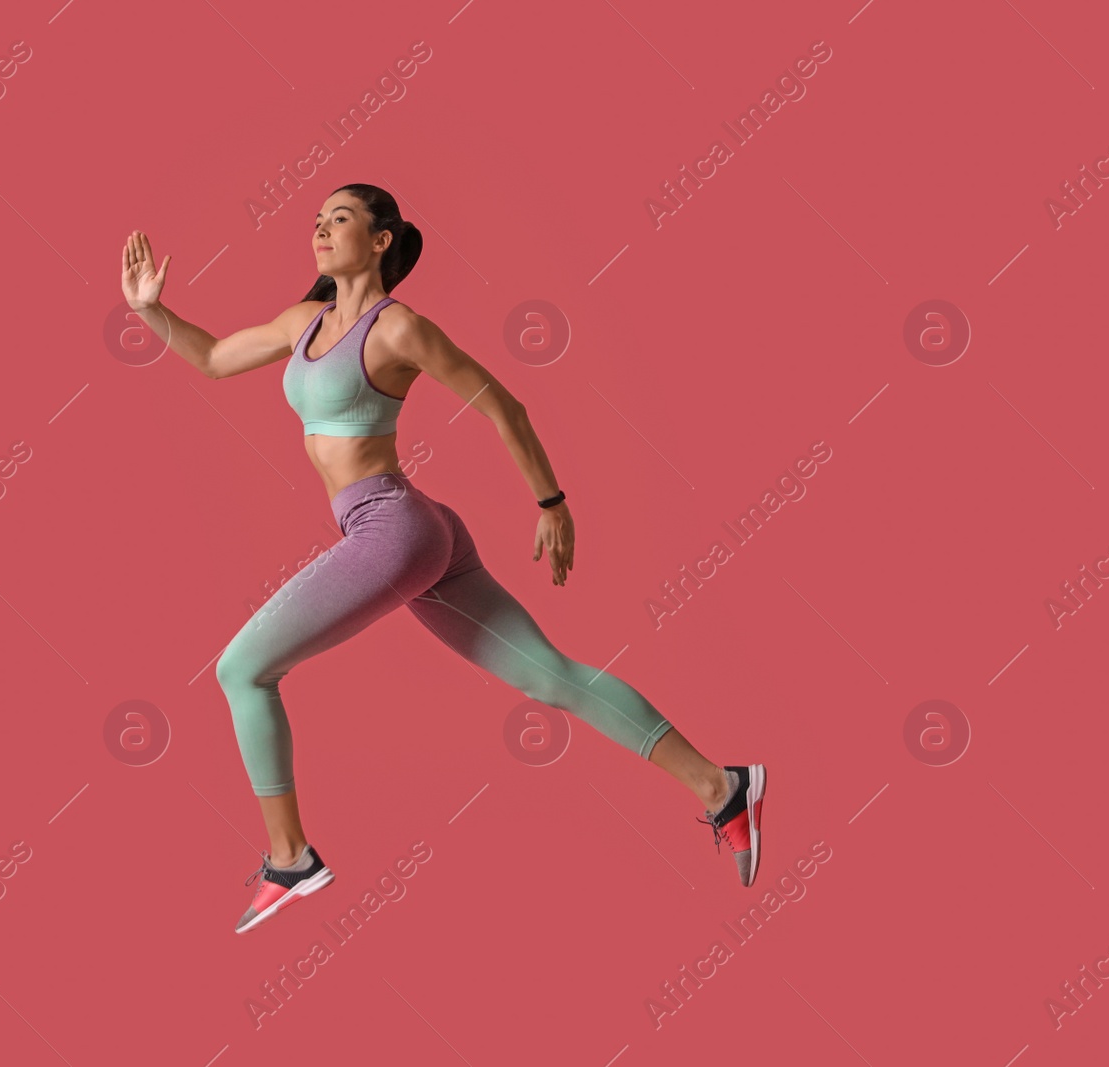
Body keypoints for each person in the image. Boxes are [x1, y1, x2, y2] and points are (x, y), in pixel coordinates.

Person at [120, 184, 766, 934]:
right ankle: (724, 785)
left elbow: (502, 405)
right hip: (410, 530)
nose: (320, 231)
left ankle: (290, 856)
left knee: (242, 669)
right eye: (316, 222)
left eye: (339, 219)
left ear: (382, 239)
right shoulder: (305, 321)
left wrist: (552, 504)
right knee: (549, 674)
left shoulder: (398, 330)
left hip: (391, 531)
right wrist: (150, 310)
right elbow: (211, 357)